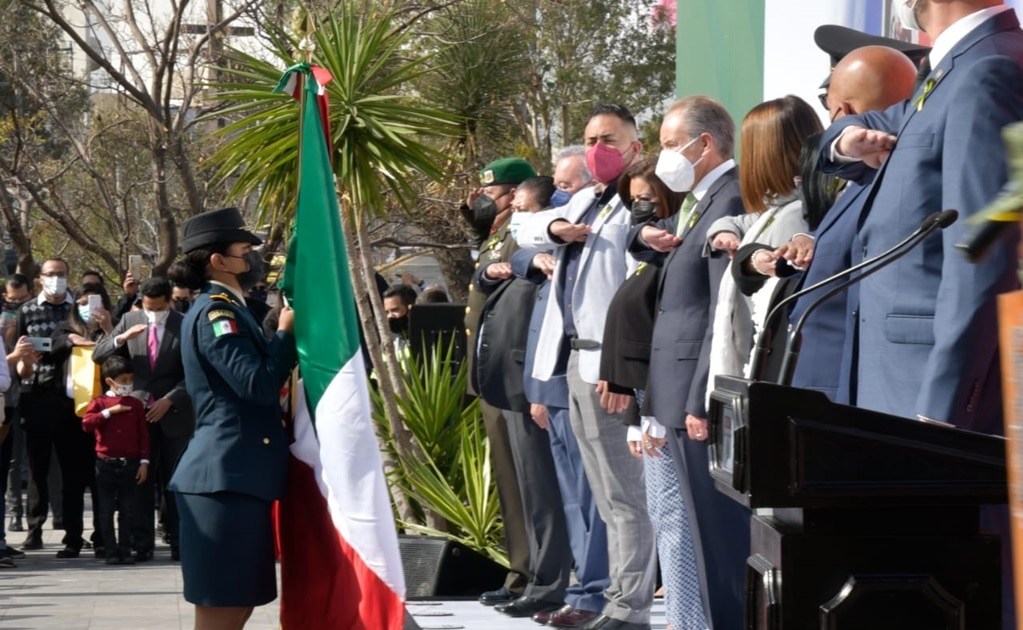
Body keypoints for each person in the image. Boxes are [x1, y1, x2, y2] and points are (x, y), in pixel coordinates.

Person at [516, 103, 656, 630]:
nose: (599, 148)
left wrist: (622, 369)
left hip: (608, 360)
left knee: (624, 494)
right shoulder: (584, 200)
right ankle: (616, 598)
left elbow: (638, 287)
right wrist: (555, 225)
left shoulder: (642, 202)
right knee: (602, 492)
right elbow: (525, 228)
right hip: (573, 358)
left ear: (635, 148)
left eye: (610, 139)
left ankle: (630, 606)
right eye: (591, 137)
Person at [626, 96, 747, 630]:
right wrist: (643, 234)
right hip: (670, 386)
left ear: (705, 144)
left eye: (671, 145)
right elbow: (655, 240)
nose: (664, 156)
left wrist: (702, 395)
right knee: (679, 524)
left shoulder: (731, 197)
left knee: (712, 535)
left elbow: (722, 314)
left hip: (694, 391)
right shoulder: (699, 199)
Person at [167, 207, 297, 630]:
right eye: (244, 250)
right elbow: (255, 384)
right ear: (218, 261)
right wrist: (285, 336)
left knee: (240, 605)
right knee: (222, 609)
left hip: (240, 477)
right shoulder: (215, 313)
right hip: (223, 479)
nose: (253, 258)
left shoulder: (230, 307)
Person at [474, 175, 574, 620]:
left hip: (534, 381)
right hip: (508, 379)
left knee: (544, 489)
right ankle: (531, 576)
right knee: (525, 488)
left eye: (524, 209)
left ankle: (549, 580)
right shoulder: (515, 248)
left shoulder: (547, 248)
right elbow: (488, 276)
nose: (518, 217)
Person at [460, 157, 544, 609]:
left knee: (527, 478)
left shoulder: (525, 233)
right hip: (489, 373)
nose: (482, 202)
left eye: (490, 194)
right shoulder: (497, 235)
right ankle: (521, 571)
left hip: (513, 373)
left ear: (514, 195)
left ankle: (534, 574)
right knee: (509, 480)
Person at [93, 276, 193, 562]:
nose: (153, 315)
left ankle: (178, 540)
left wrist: (171, 399)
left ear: (169, 301)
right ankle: (141, 543)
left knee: (175, 480)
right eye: (148, 308)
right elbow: (98, 356)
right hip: (136, 414)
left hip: (173, 412)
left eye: (159, 309)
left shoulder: (184, 324)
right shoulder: (129, 319)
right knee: (140, 480)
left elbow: (196, 372)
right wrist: (121, 337)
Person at [18, 260, 105, 558]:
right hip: (40, 396)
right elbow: (18, 351)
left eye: (62, 275)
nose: (56, 280)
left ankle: (89, 532)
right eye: (51, 275)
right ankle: (35, 528)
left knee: (79, 473)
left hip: (81, 403)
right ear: (40, 279)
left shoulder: (79, 309)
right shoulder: (27, 310)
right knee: (38, 469)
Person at [81, 355, 149, 565]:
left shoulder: (136, 404)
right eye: (123, 380)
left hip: (130, 463)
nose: (128, 384)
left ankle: (126, 549)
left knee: (128, 510)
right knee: (106, 510)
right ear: (110, 381)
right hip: (106, 463)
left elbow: (143, 435)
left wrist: (144, 462)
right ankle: (110, 550)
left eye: (130, 379)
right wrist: (110, 412)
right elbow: (87, 423)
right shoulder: (99, 402)